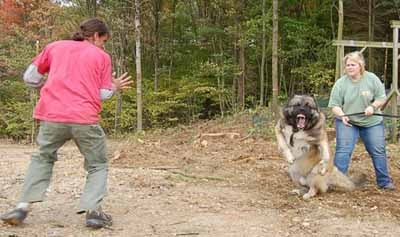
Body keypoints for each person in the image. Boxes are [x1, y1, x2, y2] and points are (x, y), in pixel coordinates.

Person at [0, 18, 132, 229]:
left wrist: (49, 84)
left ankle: (22, 207)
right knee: (97, 164)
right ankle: (93, 212)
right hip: (84, 117)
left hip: (52, 115)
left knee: (43, 157)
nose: (103, 45)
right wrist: (115, 85)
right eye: (103, 41)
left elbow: (29, 78)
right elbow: (103, 94)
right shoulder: (101, 56)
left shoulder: (54, 47)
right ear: (96, 35)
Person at [328, 51, 394, 190]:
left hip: (372, 122)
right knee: (343, 150)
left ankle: (384, 181)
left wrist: (373, 106)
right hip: (348, 122)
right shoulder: (341, 83)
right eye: (347, 65)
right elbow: (334, 105)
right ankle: (335, 182)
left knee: (378, 150)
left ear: (361, 65)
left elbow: (381, 98)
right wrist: (342, 115)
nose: (349, 68)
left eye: (353, 65)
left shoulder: (372, 79)